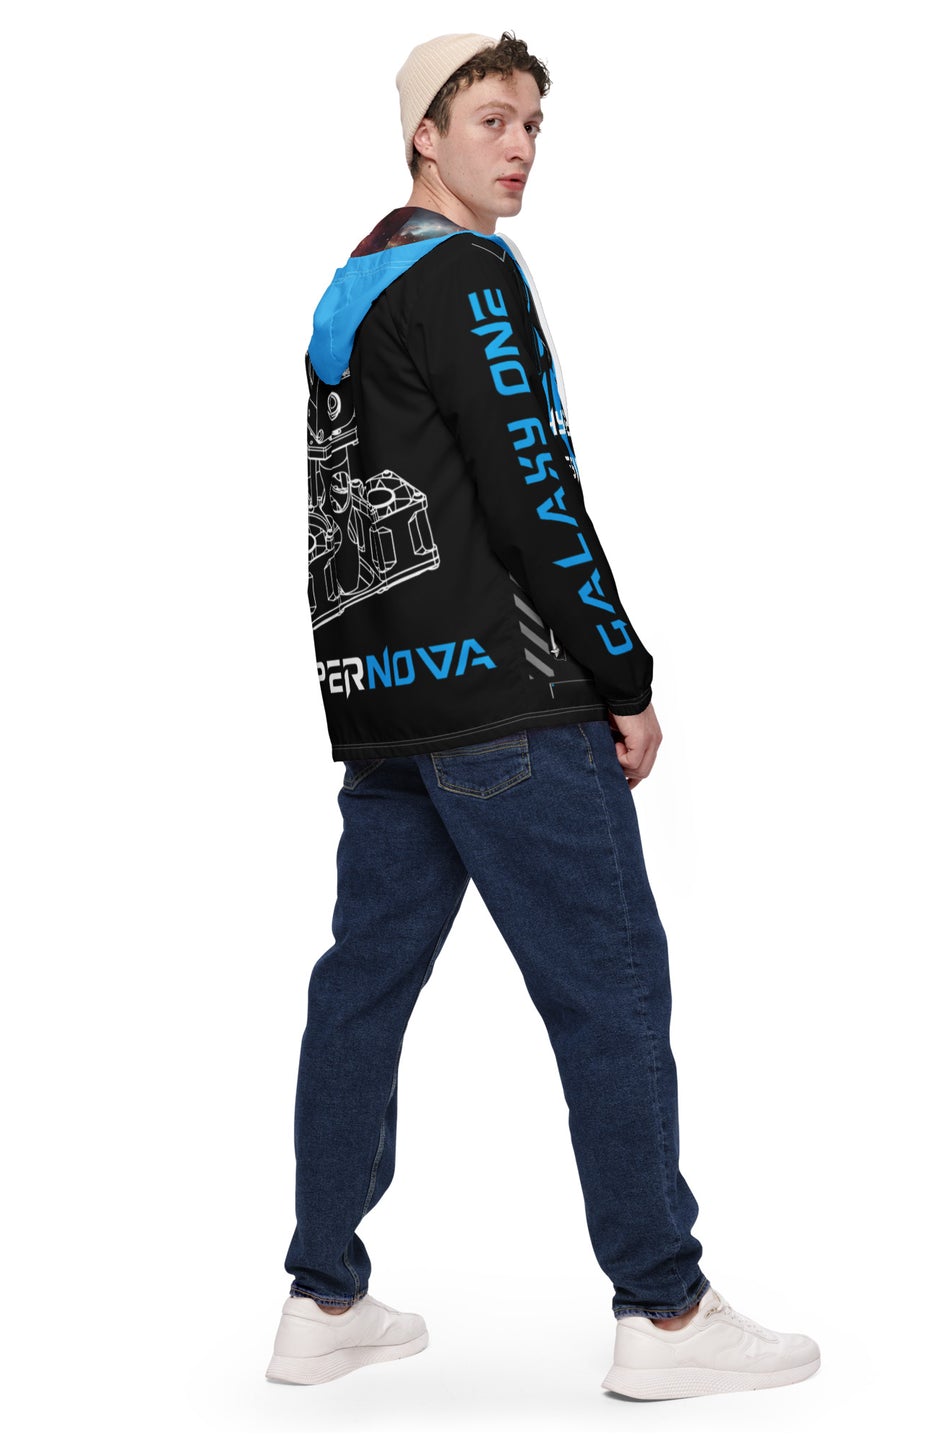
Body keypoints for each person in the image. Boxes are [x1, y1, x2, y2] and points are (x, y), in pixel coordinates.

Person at [267, 32, 819, 1400]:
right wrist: (622, 672)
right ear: (425, 135)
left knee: (362, 988)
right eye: (491, 121)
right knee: (609, 986)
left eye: (531, 126)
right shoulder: (467, 277)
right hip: (510, 705)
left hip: (388, 708)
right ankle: (666, 1313)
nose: (518, 148)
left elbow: (346, 519)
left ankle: (322, 1294)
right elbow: (532, 488)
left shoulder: (352, 287)